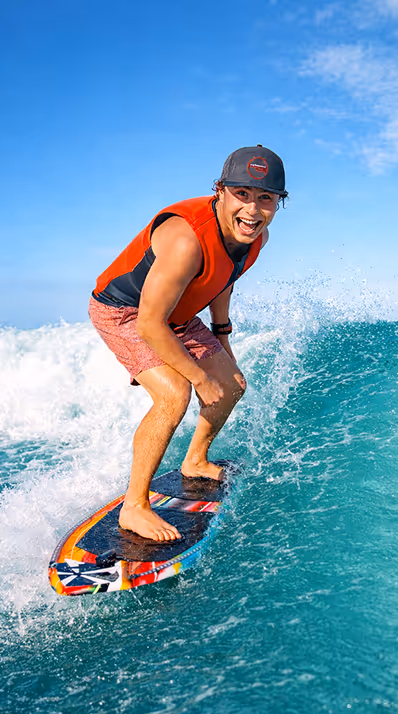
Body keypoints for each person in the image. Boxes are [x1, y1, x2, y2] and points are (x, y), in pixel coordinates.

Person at [89, 145, 287, 542]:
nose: (252, 209)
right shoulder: (186, 238)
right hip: (126, 311)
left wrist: (222, 335)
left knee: (232, 385)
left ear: (278, 203)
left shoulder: (254, 237)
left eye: (265, 198)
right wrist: (198, 376)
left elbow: (222, 278)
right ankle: (135, 507)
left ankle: (195, 461)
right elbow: (149, 323)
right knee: (174, 395)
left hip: (178, 315)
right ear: (220, 190)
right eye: (241, 194)